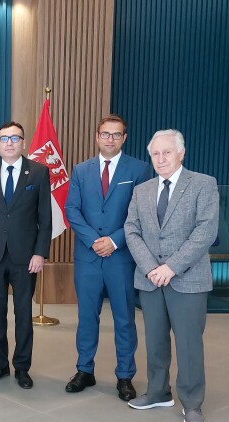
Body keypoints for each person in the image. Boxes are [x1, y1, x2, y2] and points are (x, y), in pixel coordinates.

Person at [124, 129, 218, 422]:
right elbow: (131, 230)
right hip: (150, 278)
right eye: (155, 154)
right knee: (155, 341)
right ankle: (157, 391)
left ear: (181, 153)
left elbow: (205, 232)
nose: (161, 158)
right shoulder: (142, 190)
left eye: (167, 152)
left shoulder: (203, 184)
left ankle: (192, 403)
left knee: (189, 343)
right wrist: (152, 266)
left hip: (188, 280)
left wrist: (171, 267)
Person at [64, 114, 150, 401]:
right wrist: (94, 241)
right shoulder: (81, 170)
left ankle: (125, 376)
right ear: (97, 136)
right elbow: (72, 210)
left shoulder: (139, 169)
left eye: (116, 134)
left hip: (121, 258)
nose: (110, 139)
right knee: (87, 317)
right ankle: (84, 370)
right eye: (105, 134)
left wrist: (114, 241)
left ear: (124, 138)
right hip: (88, 258)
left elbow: (140, 215)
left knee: (125, 318)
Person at [0, 121, 52, 389]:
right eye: (4, 139)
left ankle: (22, 367)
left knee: (22, 314)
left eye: (14, 138)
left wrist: (40, 253)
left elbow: (45, 218)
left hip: (25, 257)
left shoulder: (39, 172)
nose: (9, 143)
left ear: (23, 142)